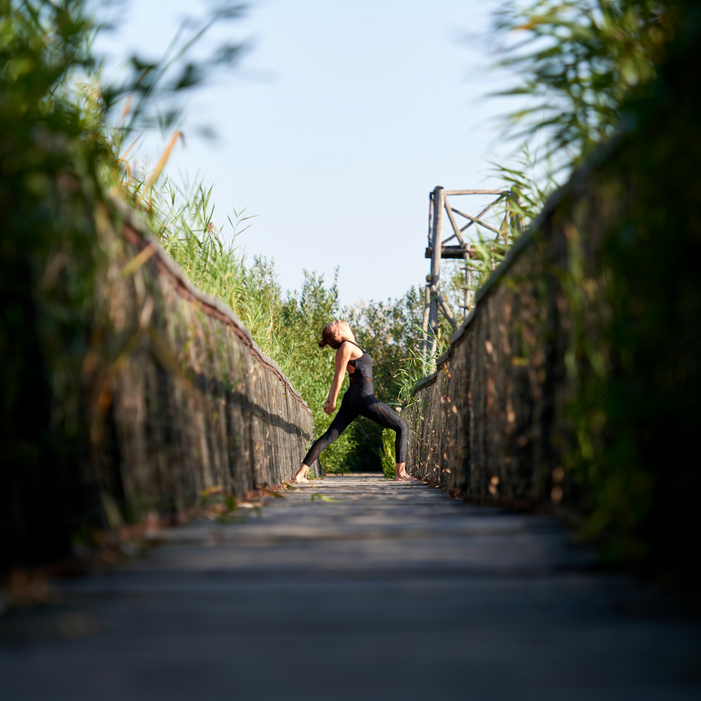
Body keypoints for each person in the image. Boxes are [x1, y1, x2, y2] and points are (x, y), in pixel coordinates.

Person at [291, 320, 419, 483]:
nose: (337, 320)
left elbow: (337, 376)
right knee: (402, 426)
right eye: (334, 323)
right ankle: (400, 474)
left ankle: (300, 474)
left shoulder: (349, 346)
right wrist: (332, 401)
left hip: (353, 397)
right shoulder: (346, 347)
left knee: (329, 436)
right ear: (337, 334)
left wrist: (331, 400)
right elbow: (339, 376)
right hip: (362, 398)